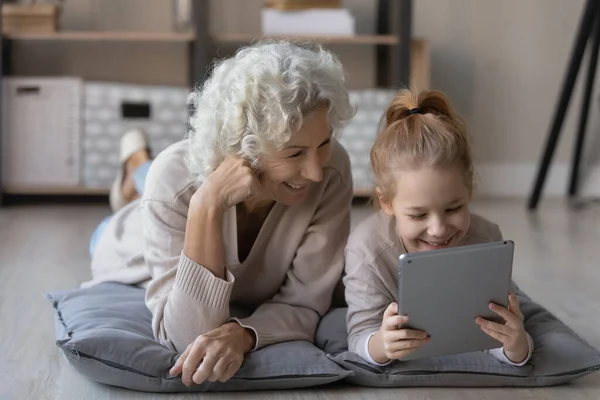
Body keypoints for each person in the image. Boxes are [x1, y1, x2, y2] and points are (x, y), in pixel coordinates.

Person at [85, 40, 356, 386]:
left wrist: (242, 334)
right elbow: (186, 336)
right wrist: (207, 205)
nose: (316, 171)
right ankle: (136, 165)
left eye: (324, 142)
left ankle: (136, 163)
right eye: (294, 154)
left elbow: (305, 303)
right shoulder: (175, 182)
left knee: (159, 175)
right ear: (244, 148)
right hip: (129, 240)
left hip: (172, 188)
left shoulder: (332, 170)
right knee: (157, 179)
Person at [343, 88, 534, 367]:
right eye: (418, 215)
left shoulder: (487, 239)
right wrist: (381, 345)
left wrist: (516, 346)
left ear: (469, 190)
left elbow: (498, 333)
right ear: (386, 203)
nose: (438, 229)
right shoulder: (366, 249)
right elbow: (359, 335)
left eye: (453, 208)